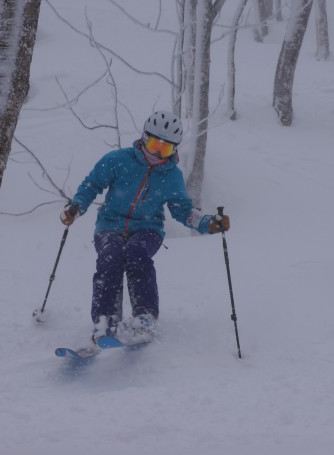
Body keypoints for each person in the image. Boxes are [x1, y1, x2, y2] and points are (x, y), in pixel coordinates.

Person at [60, 111, 230, 345]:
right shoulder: (118, 160)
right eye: (154, 144)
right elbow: (93, 184)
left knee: (136, 254)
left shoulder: (172, 177)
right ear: (143, 138)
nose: (157, 153)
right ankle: (104, 319)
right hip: (110, 224)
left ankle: (145, 316)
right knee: (111, 257)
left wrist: (208, 223)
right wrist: (76, 207)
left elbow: (182, 210)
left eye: (166, 149)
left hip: (148, 229)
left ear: (174, 150)